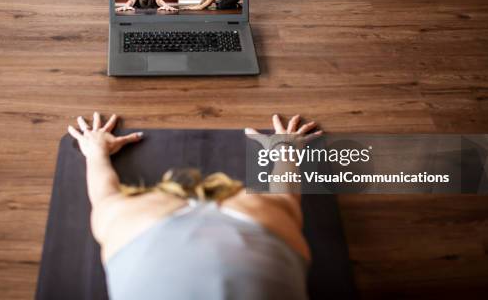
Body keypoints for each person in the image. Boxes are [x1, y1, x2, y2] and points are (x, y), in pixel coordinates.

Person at [67, 112, 323, 300]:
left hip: (149, 226)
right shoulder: (124, 216)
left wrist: (95, 150)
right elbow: (285, 193)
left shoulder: (126, 217)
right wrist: (286, 148)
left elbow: (103, 193)